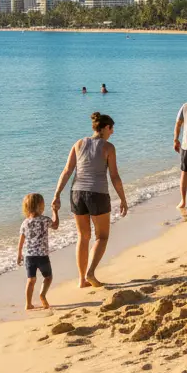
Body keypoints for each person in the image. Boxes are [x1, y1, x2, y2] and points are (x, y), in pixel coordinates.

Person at [51, 112, 128, 287]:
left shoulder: (79, 143)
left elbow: (67, 171)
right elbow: (114, 176)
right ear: (105, 128)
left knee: (83, 236)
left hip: (76, 193)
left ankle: (81, 280)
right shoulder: (108, 147)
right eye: (111, 128)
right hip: (97, 194)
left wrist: (57, 194)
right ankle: (90, 272)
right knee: (102, 236)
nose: (113, 132)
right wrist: (123, 199)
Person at [16, 193, 59, 310]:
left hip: (29, 256)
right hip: (42, 256)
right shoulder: (45, 220)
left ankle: (28, 304)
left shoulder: (25, 223)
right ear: (41, 206)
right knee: (48, 277)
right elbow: (55, 225)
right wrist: (55, 211)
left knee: (30, 280)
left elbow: (21, 241)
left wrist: (19, 254)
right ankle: (42, 294)